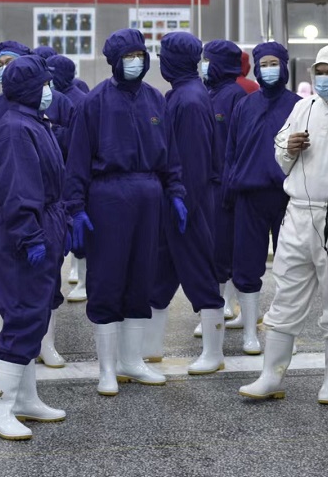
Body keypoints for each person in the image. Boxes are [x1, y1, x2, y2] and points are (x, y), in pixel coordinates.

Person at [64, 28, 186, 396]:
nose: (135, 62)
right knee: (107, 277)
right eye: (128, 56)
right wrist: (76, 207)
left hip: (149, 194)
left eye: (140, 55)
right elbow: (77, 159)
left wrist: (176, 192)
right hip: (108, 196)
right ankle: (106, 368)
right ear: (114, 61)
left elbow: (172, 153)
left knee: (141, 276)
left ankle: (132, 361)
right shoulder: (95, 101)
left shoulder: (155, 99)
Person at [240, 44, 328, 403]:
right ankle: (271, 375)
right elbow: (280, 155)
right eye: (319, 72)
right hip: (297, 212)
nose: (324, 79)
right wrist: (289, 148)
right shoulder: (303, 107)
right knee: (285, 294)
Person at [0, 56, 69, 440]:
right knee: (21, 317)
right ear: (32, 88)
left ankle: (25, 398)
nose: (50, 90)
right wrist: (32, 237)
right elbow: (19, 191)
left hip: (41, 225)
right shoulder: (16, 130)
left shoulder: (33, 122)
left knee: (35, 316)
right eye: (45, 84)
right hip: (25, 234)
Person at [143, 33, 225, 374]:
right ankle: (150, 347)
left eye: (164, 55)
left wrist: (182, 202)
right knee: (160, 275)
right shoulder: (183, 93)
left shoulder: (189, 100)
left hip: (188, 202)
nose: (160, 61)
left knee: (200, 273)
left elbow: (192, 160)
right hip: (175, 200)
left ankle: (214, 353)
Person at [223, 42, 300, 355]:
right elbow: (231, 152)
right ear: (255, 68)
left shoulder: (299, 106)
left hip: (287, 198)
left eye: (273, 63)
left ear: (284, 65)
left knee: (290, 264)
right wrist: (229, 190)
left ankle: (284, 330)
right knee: (246, 263)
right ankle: (249, 332)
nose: (268, 69)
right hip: (250, 195)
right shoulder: (245, 105)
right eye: (263, 64)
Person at [202, 39, 250, 325]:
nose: (204, 65)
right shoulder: (210, 93)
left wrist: (231, 182)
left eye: (208, 60)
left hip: (225, 183)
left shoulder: (234, 96)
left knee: (223, 250)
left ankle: (221, 307)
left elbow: (237, 145)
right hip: (209, 183)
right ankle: (217, 307)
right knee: (212, 248)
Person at [48, 53, 88, 301]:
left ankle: (84, 280)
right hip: (57, 171)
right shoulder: (51, 97)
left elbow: (76, 140)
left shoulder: (78, 100)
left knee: (78, 230)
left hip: (71, 171)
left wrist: (54, 133)